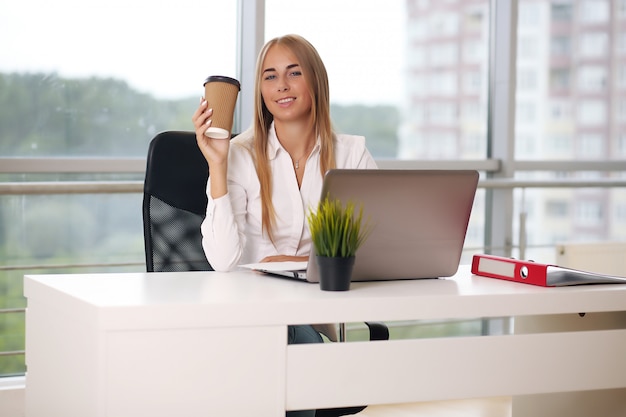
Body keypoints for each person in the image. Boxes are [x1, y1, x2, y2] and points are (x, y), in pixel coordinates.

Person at [192, 34, 377, 417]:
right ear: (260, 90)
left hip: (311, 316)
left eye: (294, 73)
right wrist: (217, 165)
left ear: (315, 81)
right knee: (287, 344)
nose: (281, 86)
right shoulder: (239, 154)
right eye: (269, 76)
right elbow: (224, 260)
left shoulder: (351, 154)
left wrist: (294, 264)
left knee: (293, 345)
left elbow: (372, 249)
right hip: (249, 317)